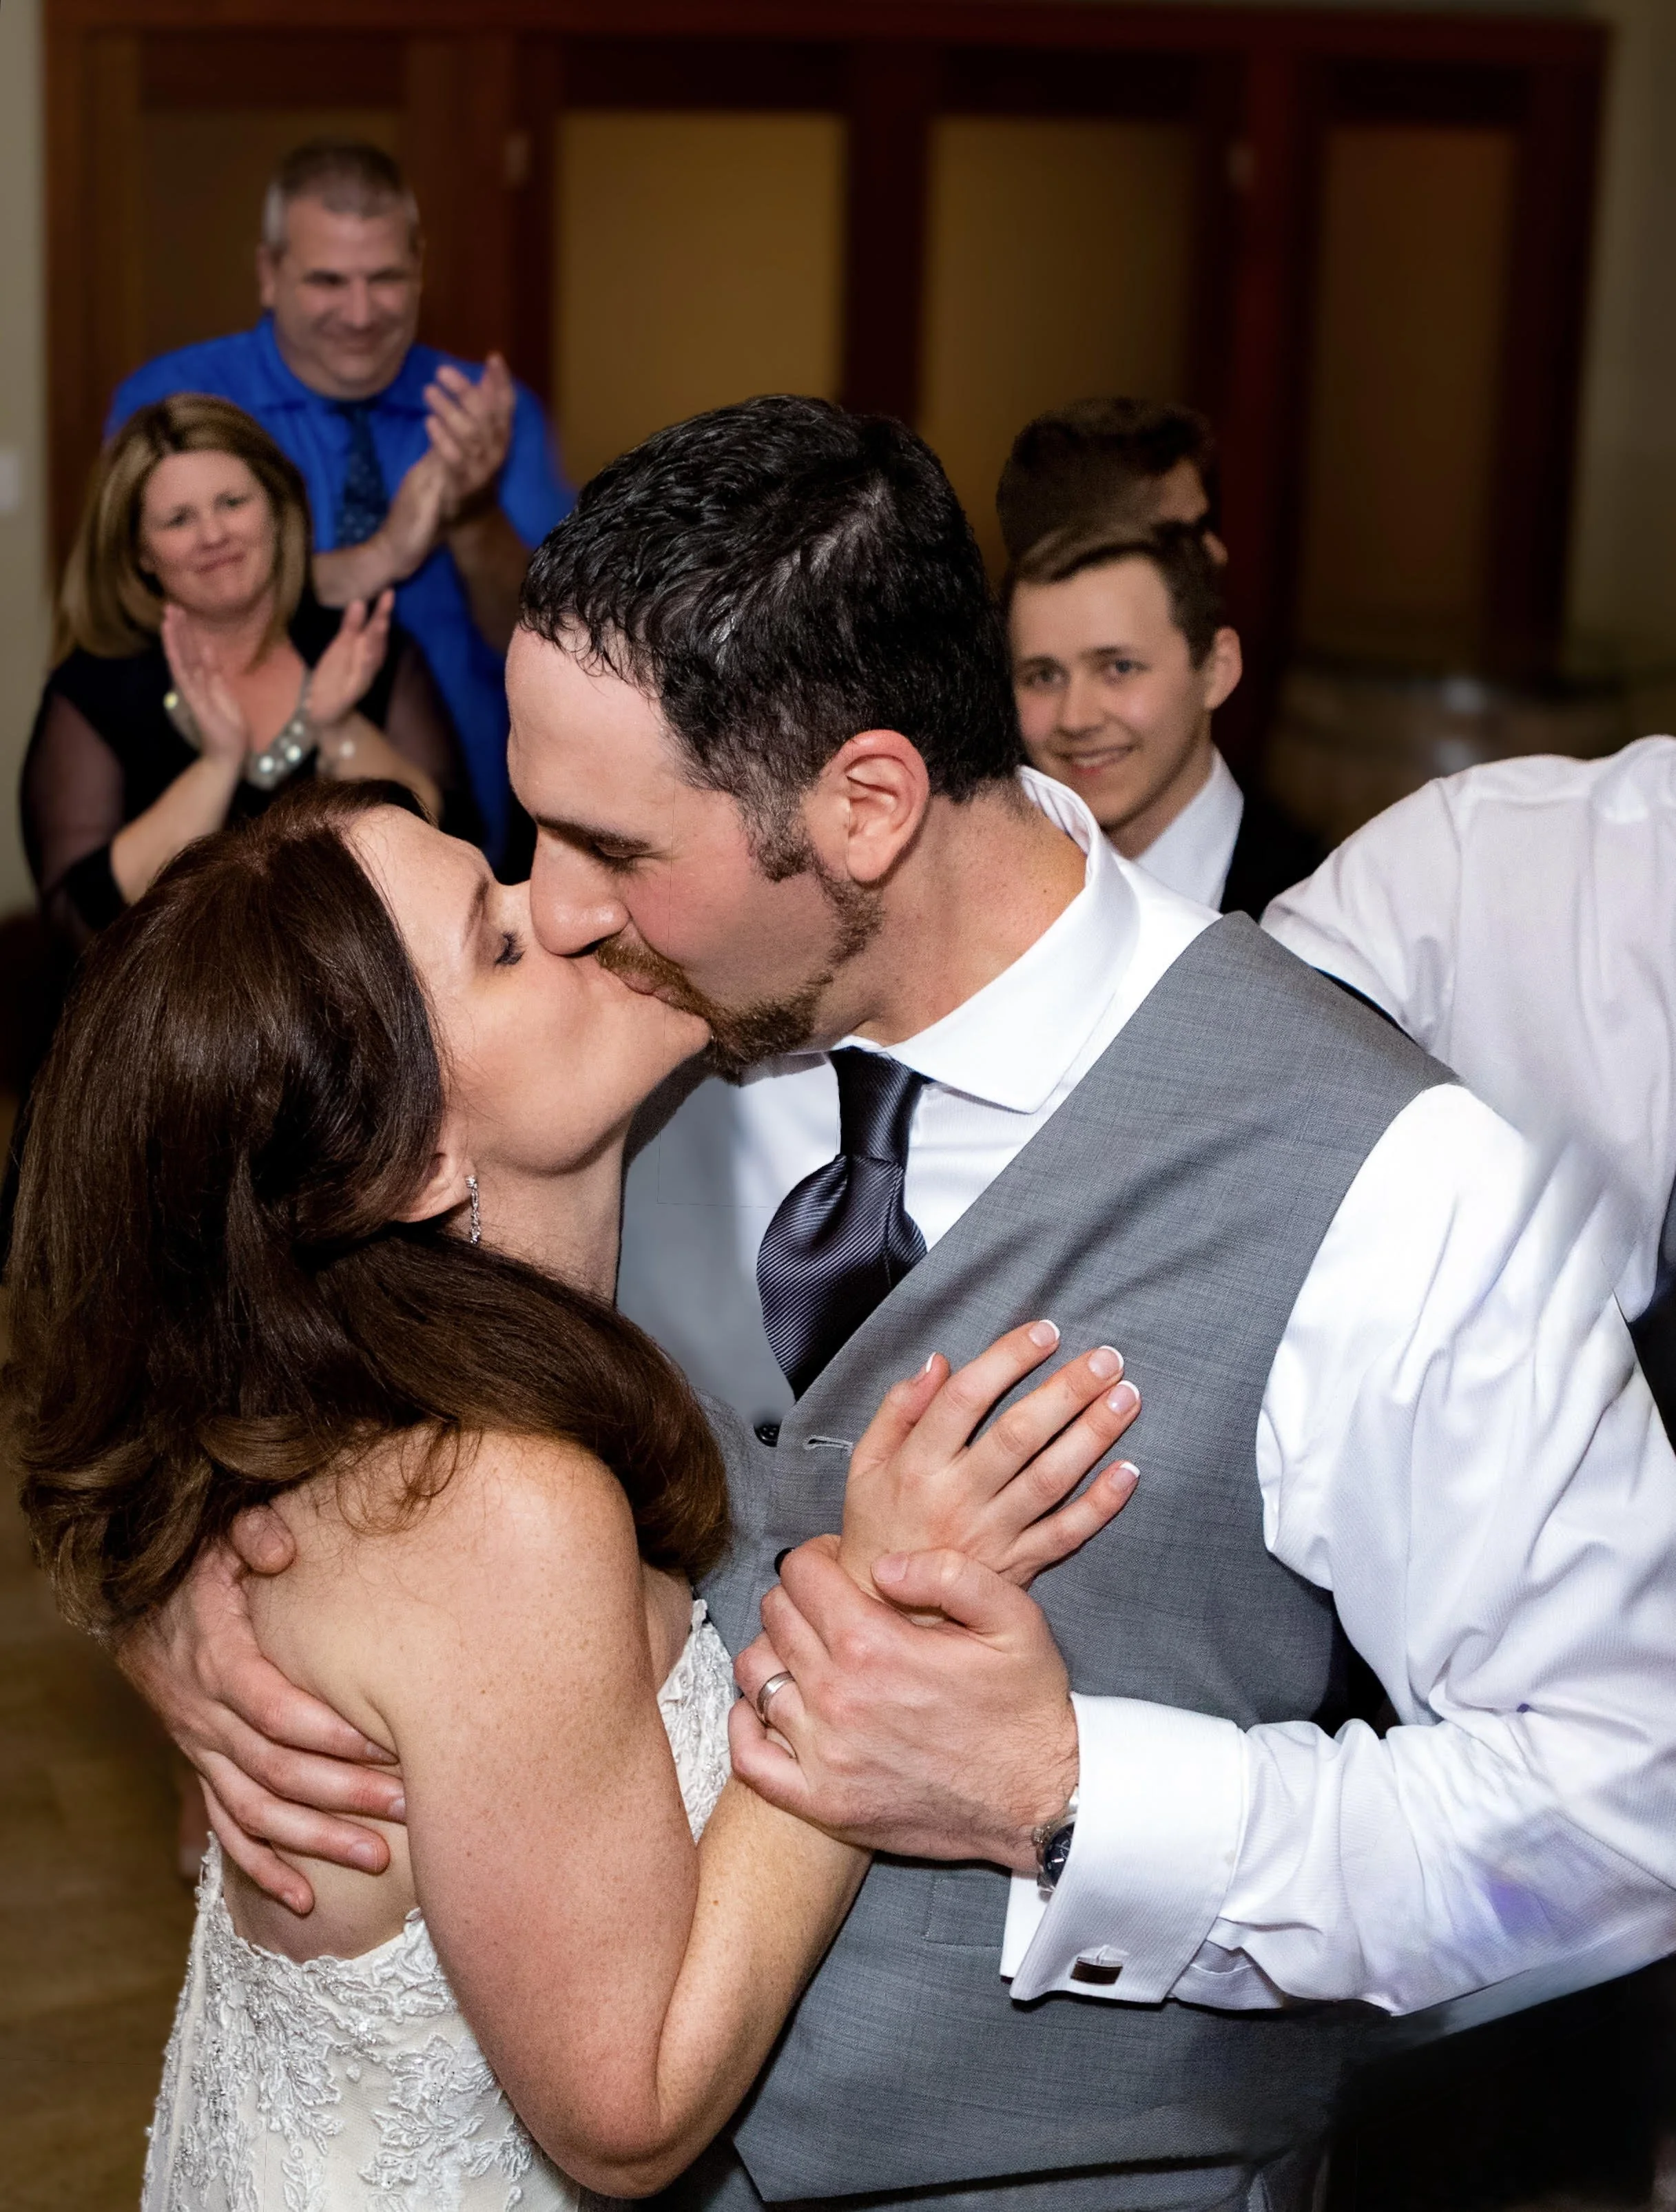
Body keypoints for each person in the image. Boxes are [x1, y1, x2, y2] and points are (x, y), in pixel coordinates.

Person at [121, 400, 1676, 2212]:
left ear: (861, 805)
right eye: (532, 829)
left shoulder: (1387, 1182)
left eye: (608, 846)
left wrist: (1079, 1790)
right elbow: (235, 1239)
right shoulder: (619, 1039)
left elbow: (1625, 1799)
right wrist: (209, 1600)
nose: (550, 908)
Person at [5, 777, 1140, 2209]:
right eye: (496, 942)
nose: (561, 905)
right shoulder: (494, 1509)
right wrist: (870, 1614)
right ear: (408, 1161)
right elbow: (626, 2108)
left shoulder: (336, 1387)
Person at [107, 138, 573, 860]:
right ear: (269, 273)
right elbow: (139, 607)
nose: (360, 313)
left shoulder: (486, 411)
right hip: (235, 839)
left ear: (420, 268)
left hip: (468, 820)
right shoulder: (175, 405)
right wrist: (377, 558)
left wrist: (475, 514)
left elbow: (549, 636)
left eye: (385, 277)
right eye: (328, 281)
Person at [20, 394, 470, 949]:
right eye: (178, 519)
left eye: (232, 502)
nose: (213, 536)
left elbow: (449, 846)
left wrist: (341, 728)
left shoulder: (361, 646)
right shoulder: (93, 691)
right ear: (140, 553)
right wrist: (216, 764)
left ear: (277, 510)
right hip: (173, 1023)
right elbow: (83, 922)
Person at [999, 397, 1321, 918]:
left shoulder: (1313, 906)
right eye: (1182, 536)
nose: (1217, 553)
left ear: (1219, 668)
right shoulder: (983, 889)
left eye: (1118, 667)